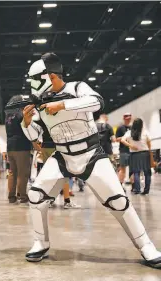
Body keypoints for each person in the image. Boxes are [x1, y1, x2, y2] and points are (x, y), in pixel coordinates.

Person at [20, 52, 161, 267]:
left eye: (36, 79)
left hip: (91, 154)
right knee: (36, 195)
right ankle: (40, 242)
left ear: (50, 76)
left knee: (118, 201)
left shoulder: (78, 88)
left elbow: (97, 102)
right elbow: (35, 139)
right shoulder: (40, 103)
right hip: (62, 156)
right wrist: (27, 122)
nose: (33, 85)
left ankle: (146, 246)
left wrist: (63, 105)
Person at [4, 95, 32, 204]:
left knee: (12, 173)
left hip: (10, 146)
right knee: (22, 173)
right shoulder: (21, 114)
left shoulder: (8, 116)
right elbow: (28, 128)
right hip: (21, 146)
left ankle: (11, 197)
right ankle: (23, 197)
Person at [121, 118, 152, 195]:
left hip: (134, 154)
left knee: (136, 173)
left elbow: (122, 140)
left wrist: (131, 146)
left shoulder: (129, 133)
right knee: (147, 173)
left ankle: (137, 190)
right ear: (141, 124)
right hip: (145, 154)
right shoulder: (144, 132)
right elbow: (149, 143)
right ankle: (146, 190)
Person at [115, 113, 132, 186]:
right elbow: (116, 139)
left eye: (129, 118)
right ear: (124, 118)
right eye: (126, 118)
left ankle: (134, 186)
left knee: (133, 170)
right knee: (123, 169)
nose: (128, 119)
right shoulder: (120, 128)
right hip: (123, 151)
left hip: (133, 151)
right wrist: (124, 137)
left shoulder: (133, 127)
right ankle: (120, 185)